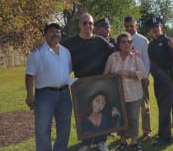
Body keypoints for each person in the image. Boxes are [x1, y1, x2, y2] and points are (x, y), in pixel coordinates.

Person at [62, 13, 114, 151]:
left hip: (98, 83)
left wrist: (129, 49)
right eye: (85, 23)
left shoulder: (100, 41)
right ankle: (86, 143)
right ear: (80, 25)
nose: (88, 26)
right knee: (84, 113)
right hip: (81, 85)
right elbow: (56, 48)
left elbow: (114, 52)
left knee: (100, 112)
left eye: (90, 23)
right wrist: (42, 45)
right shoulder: (70, 42)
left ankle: (101, 141)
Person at [25, 22, 72, 151]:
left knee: (64, 127)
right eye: (51, 31)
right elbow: (29, 75)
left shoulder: (66, 52)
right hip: (45, 95)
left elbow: (67, 71)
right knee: (42, 128)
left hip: (64, 94)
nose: (55, 34)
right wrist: (29, 95)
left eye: (58, 31)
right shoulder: (37, 53)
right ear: (45, 34)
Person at [104, 32, 146, 151]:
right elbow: (106, 74)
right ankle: (122, 142)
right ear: (118, 44)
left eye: (129, 42)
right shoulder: (113, 57)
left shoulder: (136, 56)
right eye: (124, 42)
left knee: (133, 117)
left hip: (134, 94)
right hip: (118, 95)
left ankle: (134, 141)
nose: (127, 44)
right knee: (121, 118)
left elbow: (142, 73)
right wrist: (113, 76)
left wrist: (127, 74)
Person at [146, 17, 173, 146]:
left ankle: (163, 138)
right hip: (158, 82)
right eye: (152, 27)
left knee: (164, 110)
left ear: (161, 27)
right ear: (150, 30)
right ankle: (164, 136)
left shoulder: (168, 41)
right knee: (162, 108)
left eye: (157, 26)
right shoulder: (151, 44)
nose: (155, 29)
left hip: (169, 80)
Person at [123, 16, 152, 141]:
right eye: (127, 26)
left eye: (131, 25)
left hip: (141, 79)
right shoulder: (122, 39)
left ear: (136, 25)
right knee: (128, 108)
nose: (129, 28)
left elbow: (147, 61)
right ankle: (129, 132)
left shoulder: (143, 40)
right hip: (127, 80)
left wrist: (143, 77)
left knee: (144, 107)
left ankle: (146, 132)